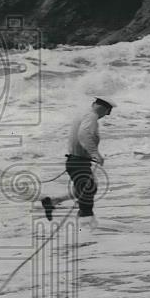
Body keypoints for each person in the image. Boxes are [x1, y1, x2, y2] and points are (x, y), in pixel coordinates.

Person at [41, 97, 115, 230]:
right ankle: (86, 225)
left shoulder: (85, 114)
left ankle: (53, 201)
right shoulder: (92, 117)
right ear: (106, 110)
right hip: (78, 161)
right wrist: (95, 153)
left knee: (87, 187)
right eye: (108, 112)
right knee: (88, 189)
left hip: (75, 161)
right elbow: (84, 135)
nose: (106, 115)